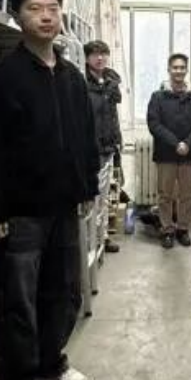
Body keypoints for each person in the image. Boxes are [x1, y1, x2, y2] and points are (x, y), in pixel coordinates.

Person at [0, 0, 99, 380]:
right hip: (19, 213)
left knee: (63, 292)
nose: (46, 16)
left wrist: (87, 188)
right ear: (17, 17)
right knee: (16, 302)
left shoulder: (72, 78)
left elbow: (85, 140)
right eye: (34, 8)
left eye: (52, 8)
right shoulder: (0, 78)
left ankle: (50, 363)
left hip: (64, 207)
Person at [146, 53, 191, 249]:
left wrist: (187, 144)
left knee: (186, 195)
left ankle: (182, 229)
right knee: (165, 195)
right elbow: (154, 124)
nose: (179, 71)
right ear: (169, 69)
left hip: (189, 154)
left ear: (186, 70)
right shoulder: (158, 97)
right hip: (166, 154)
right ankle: (167, 230)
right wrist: (176, 144)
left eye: (182, 67)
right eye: (175, 67)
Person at [84, 39, 122, 255]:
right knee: (93, 197)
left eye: (103, 54)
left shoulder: (110, 81)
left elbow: (112, 115)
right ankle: (91, 241)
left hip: (108, 146)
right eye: (95, 54)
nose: (100, 58)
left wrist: (117, 140)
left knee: (105, 196)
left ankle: (103, 237)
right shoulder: (81, 82)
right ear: (87, 58)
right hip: (91, 148)